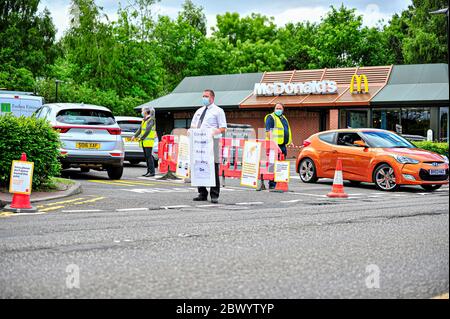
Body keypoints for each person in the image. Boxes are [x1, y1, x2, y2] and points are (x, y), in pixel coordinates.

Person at [190, 89, 227, 204]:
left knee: (213, 167)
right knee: (198, 165)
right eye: (203, 96)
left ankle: (214, 194)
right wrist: (190, 131)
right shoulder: (199, 111)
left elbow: (223, 128)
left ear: (212, 98)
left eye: (206, 96)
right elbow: (194, 125)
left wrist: (213, 132)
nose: (204, 98)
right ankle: (202, 192)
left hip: (212, 142)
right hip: (198, 142)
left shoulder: (218, 111)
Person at [265, 103, 293, 189]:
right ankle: (272, 183)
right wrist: (274, 143)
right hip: (274, 146)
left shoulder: (284, 118)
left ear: (283, 110)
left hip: (282, 145)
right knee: (273, 165)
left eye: (280, 108)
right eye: (277, 108)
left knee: (281, 164)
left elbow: (287, 130)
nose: (278, 110)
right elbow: (268, 131)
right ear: (274, 109)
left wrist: (290, 141)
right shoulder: (271, 117)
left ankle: (279, 182)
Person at [133, 106, 156, 177]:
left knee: (149, 156)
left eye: (142, 111)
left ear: (146, 111)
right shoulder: (144, 120)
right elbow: (140, 129)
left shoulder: (151, 120)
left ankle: (152, 172)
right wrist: (135, 136)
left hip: (148, 142)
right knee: (146, 157)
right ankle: (148, 171)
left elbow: (148, 130)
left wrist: (141, 138)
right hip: (144, 141)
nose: (142, 112)